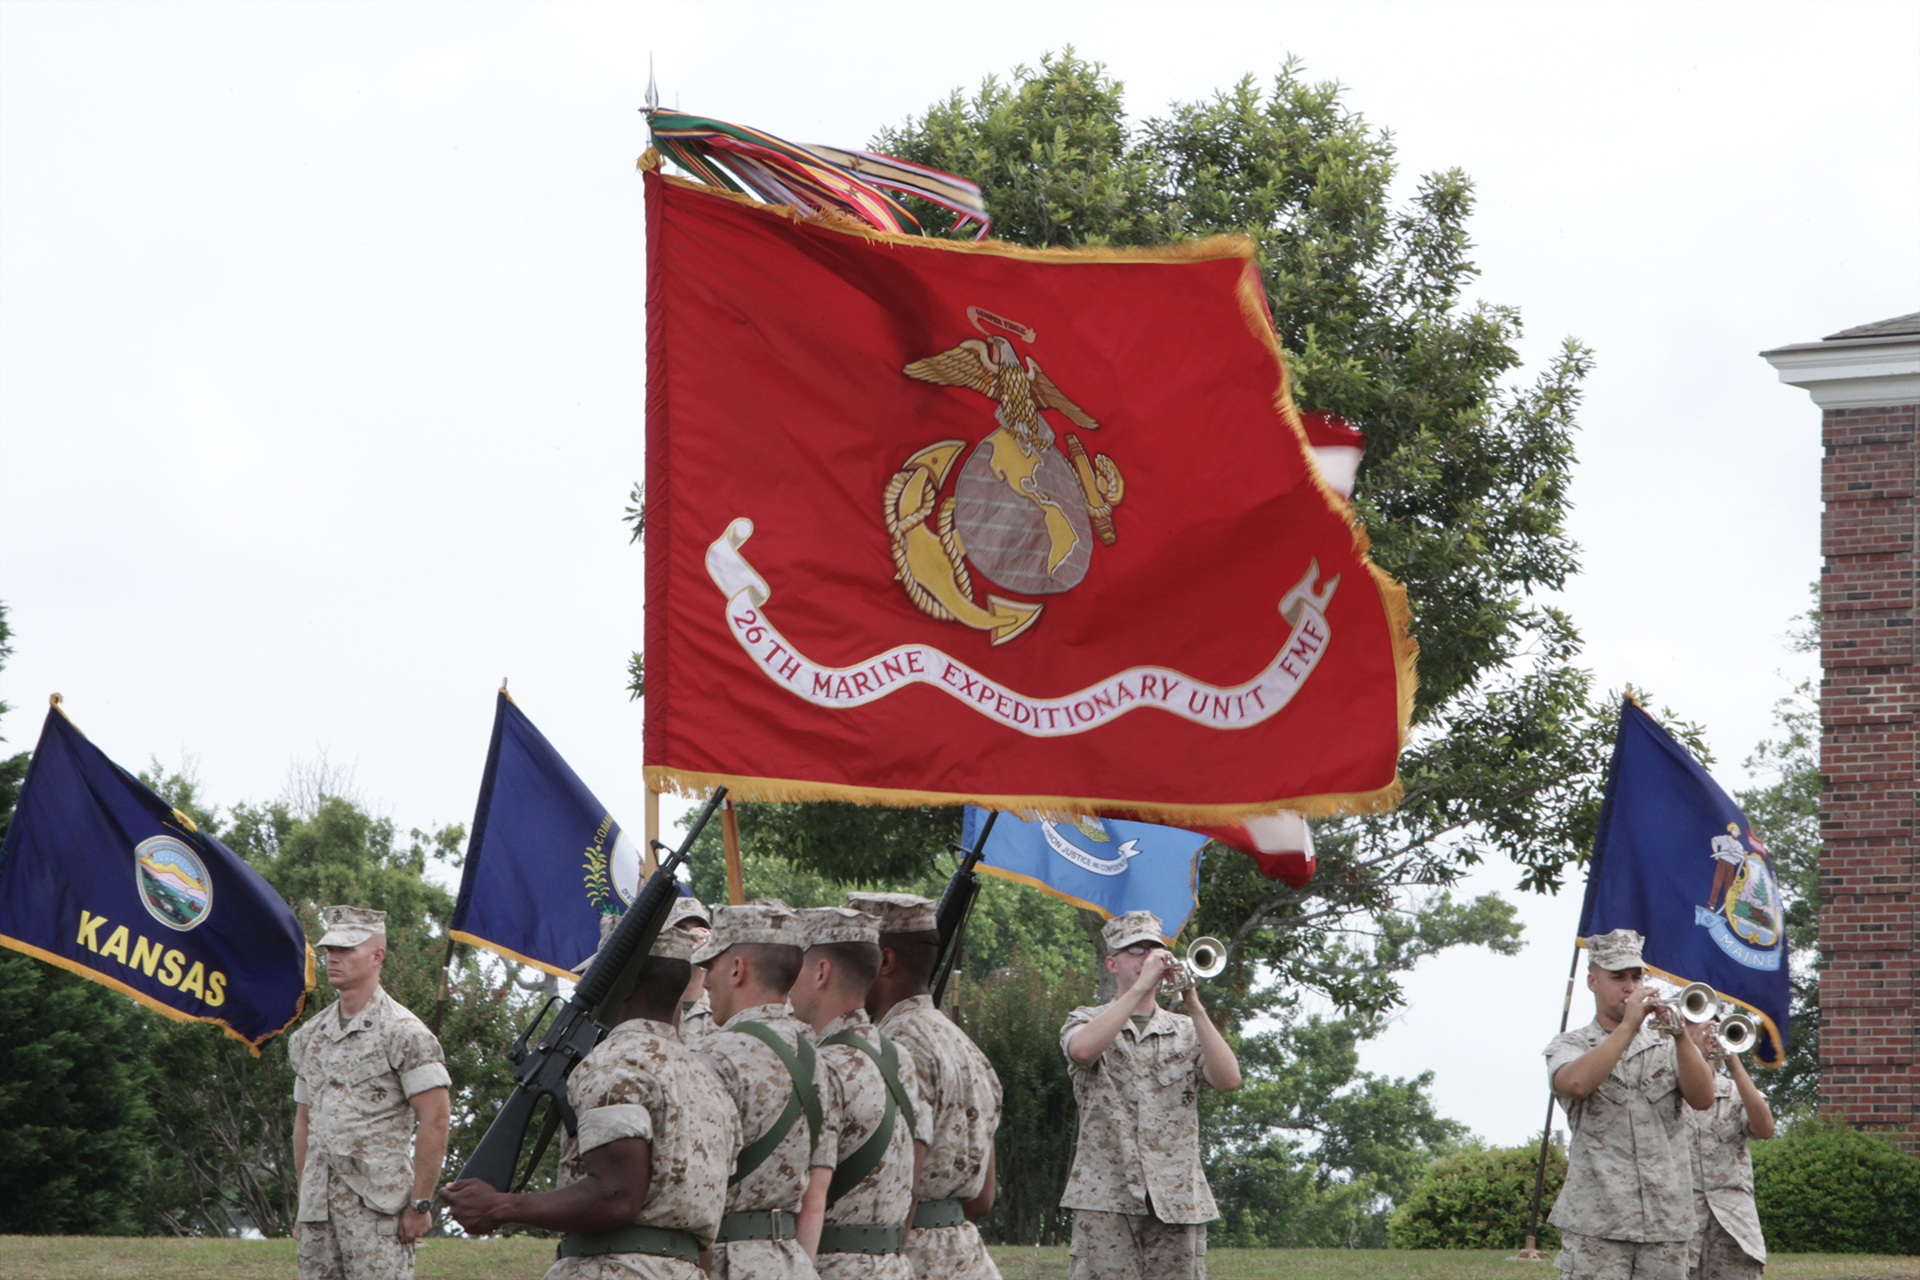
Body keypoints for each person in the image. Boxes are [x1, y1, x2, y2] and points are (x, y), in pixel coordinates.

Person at [439, 924, 739, 1279]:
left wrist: (500, 1205)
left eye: (595, 982)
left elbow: (615, 1196)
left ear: (625, 987)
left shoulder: (614, 1062)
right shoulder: (709, 1078)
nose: (586, 993)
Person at [1058, 911, 1240, 1280]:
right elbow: (1082, 1051)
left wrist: (1193, 1002)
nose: (1148, 958)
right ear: (1112, 963)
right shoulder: (1085, 1019)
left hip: (1178, 1200)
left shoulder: (1187, 1030)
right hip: (1106, 1198)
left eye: (1155, 950)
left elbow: (1228, 1079)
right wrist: (1140, 988)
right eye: (1136, 950)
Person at [288, 905, 451, 1280]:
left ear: (377, 956)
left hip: (378, 1208)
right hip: (320, 1211)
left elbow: (436, 1118)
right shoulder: (309, 1037)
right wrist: (306, 1203)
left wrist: (420, 1202)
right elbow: (304, 1122)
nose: (333, 959)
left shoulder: (405, 1033)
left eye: (346, 950)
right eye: (330, 951)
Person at [846, 891, 1003, 1280]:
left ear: (884, 961)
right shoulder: (967, 1048)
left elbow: (899, 1186)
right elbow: (983, 1199)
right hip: (966, 1256)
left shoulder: (891, 1049)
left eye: (853, 958)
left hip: (903, 1255)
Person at [1545, 928, 1715, 1280]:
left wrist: (1681, 1035)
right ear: (1593, 982)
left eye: (1636, 976)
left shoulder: (1667, 1045)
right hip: (1598, 1222)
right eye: (1617, 977)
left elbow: (1703, 1098)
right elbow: (1575, 1083)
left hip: (1665, 1223)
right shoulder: (1572, 1044)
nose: (1629, 986)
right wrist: (1628, 1026)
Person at [690, 901, 836, 1279]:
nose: (705, 981)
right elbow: (815, 1197)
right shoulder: (818, 1059)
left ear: (737, 969)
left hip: (723, 1264)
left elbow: (695, 1197)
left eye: (710, 966)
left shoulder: (709, 1057)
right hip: (793, 1264)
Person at [790, 906, 927, 1280]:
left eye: (796, 966)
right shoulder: (900, 1059)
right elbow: (913, 1184)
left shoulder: (823, 1065)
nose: (787, 980)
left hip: (833, 1266)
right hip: (894, 1265)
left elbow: (811, 1200)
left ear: (821, 973)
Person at [1683, 1019, 1774, 1280]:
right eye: (1691, 1023)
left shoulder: (1734, 1091)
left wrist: (1732, 1061)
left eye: (1709, 1023)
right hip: (1680, 1230)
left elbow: (1765, 1129)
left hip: (1734, 1232)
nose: (1703, 1030)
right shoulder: (1668, 1092)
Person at [667, 895, 717, 1042]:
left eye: (699, 929)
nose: (693, 937)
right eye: (681, 930)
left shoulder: (720, 999)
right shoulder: (651, 1000)